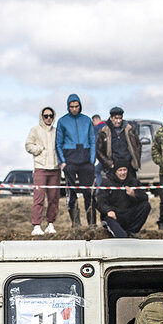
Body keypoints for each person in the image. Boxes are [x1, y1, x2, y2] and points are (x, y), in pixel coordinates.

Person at [55, 93, 97, 226]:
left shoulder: (87, 120)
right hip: (70, 161)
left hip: (86, 161)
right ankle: (76, 223)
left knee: (89, 193)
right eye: (72, 106)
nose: (74, 109)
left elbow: (92, 140)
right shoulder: (62, 121)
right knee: (71, 193)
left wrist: (92, 160)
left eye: (76, 106)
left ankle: (92, 223)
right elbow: (58, 144)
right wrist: (63, 163)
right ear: (68, 107)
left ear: (80, 106)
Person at [24, 106, 60, 235]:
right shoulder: (35, 130)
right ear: (42, 117)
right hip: (40, 168)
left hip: (55, 169)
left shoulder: (57, 131)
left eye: (51, 115)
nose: (49, 118)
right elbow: (28, 145)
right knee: (38, 198)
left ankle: (50, 223)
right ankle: (36, 225)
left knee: (53, 198)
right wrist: (39, 150)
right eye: (46, 116)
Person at [96, 163, 150, 238]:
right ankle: (121, 234)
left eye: (124, 170)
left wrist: (134, 194)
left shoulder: (134, 182)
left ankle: (132, 231)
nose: (123, 172)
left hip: (128, 214)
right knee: (122, 237)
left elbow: (145, 197)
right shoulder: (107, 182)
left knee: (146, 205)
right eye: (120, 170)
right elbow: (100, 201)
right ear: (115, 172)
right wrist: (108, 211)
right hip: (113, 215)